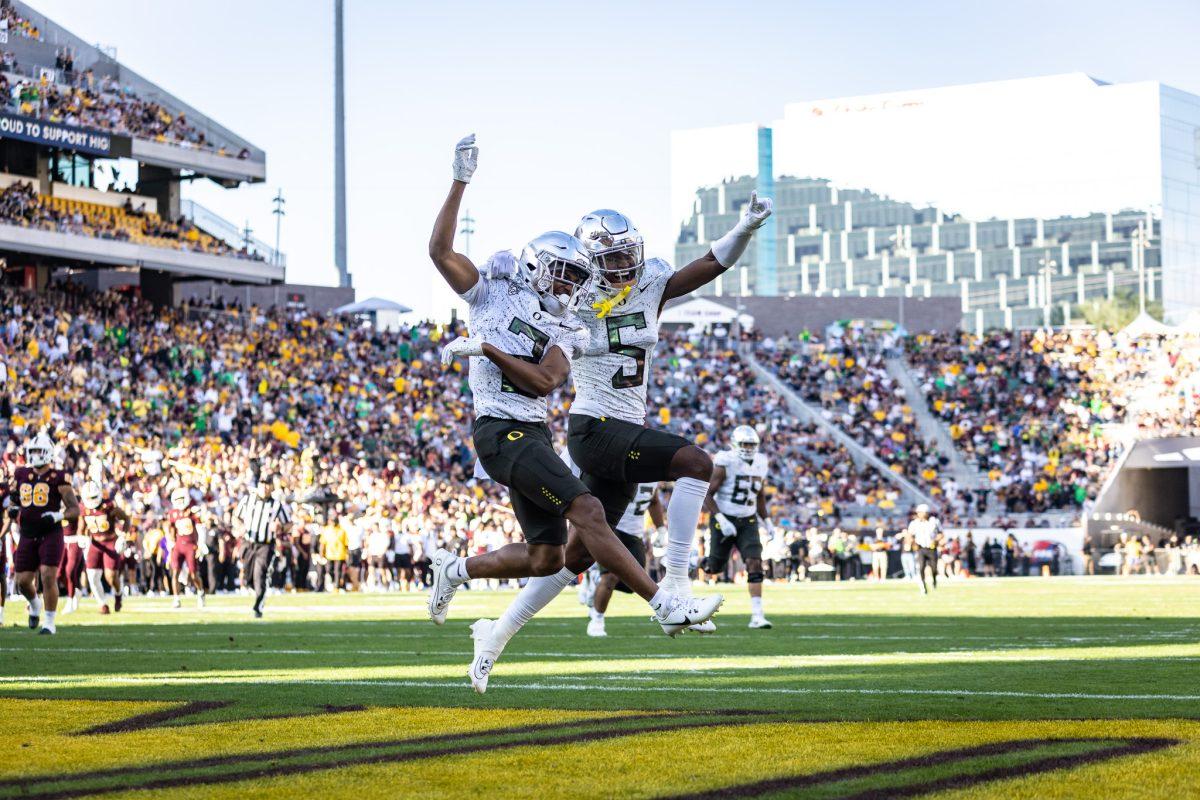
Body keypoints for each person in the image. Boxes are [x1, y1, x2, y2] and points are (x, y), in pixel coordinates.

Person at [466, 158, 772, 692]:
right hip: (593, 426)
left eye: (627, 254)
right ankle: (675, 585)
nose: (625, 265)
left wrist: (742, 229)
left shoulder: (651, 282)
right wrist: (499, 273)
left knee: (574, 556)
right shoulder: (571, 299)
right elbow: (523, 296)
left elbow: (705, 267)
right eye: (611, 258)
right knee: (695, 461)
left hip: (624, 425)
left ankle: (495, 634)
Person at [426, 134, 720, 648]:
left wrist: (486, 351)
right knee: (587, 512)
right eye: (562, 275)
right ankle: (664, 604)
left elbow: (545, 380)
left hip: (533, 431)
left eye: (574, 279)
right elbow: (440, 251)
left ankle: (454, 570)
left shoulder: (568, 327)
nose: (567, 288)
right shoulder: (492, 291)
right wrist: (460, 179)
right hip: (498, 431)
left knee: (550, 556)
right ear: (536, 265)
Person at [6, 431, 79, 634]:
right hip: (27, 533)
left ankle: (49, 622)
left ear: (48, 453)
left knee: (48, 575)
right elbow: (14, 501)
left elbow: (74, 509)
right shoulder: (21, 474)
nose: (36, 454)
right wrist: (13, 509)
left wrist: (57, 516)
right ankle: (35, 605)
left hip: (51, 533)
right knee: (21, 582)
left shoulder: (58, 477)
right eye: (33, 450)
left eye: (39, 450)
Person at [703, 425, 774, 629]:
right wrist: (721, 520)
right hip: (724, 517)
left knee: (754, 562)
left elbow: (759, 495)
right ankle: (696, 565)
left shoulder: (761, 462)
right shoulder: (726, 461)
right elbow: (707, 494)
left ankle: (757, 616)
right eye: (744, 444)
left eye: (751, 444)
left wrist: (766, 520)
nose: (748, 448)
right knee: (714, 568)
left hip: (748, 520)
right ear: (735, 444)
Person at [587, 482, 663, 638]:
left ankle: (595, 579)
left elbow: (654, 501)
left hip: (634, 534)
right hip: (611, 528)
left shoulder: (652, 477)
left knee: (634, 584)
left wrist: (661, 529)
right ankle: (597, 620)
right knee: (610, 577)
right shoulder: (624, 469)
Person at [234, 475, 292, 618]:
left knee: (260, 575)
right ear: (258, 485)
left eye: (268, 484)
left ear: (272, 486)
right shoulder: (248, 500)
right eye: (263, 483)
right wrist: (240, 526)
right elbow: (236, 517)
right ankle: (258, 593)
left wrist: (280, 528)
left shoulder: (277, 505)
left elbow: (289, 524)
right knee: (248, 577)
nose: (265, 487)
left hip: (265, 546)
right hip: (248, 543)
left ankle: (258, 606)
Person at [79, 481, 131, 614]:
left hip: (110, 541)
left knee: (111, 576)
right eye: (89, 498)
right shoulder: (83, 508)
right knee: (92, 576)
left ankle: (118, 594)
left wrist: (123, 536)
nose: (91, 501)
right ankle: (102, 604)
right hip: (95, 543)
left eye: (93, 497)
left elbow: (126, 518)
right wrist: (82, 538)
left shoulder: (108, 505)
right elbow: (81, 528)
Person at [166, 486, 206, 609]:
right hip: (178, 545)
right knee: (175, 572)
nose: (179, 502)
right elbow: (169, 527)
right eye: (177, 500)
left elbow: (200, 528)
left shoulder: (192, 511)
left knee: (193, 574)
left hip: (190, 545)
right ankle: (176, 598)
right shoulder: (173, 513)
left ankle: (200, 592)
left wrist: (201, 544)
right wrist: (170, 541)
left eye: (181, 499)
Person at [908, 503, 941, 594]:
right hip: (920, 548)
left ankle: (934, 580)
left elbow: (940, 534)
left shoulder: (934, 521)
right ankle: (923, 587)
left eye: (922, 512)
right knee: (921, 568)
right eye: (919, 512)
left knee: (934, 568)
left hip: (931, 548)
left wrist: (935, 540)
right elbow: (910, 535)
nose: (920, 514)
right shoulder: (914, 523)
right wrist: (913, 544)